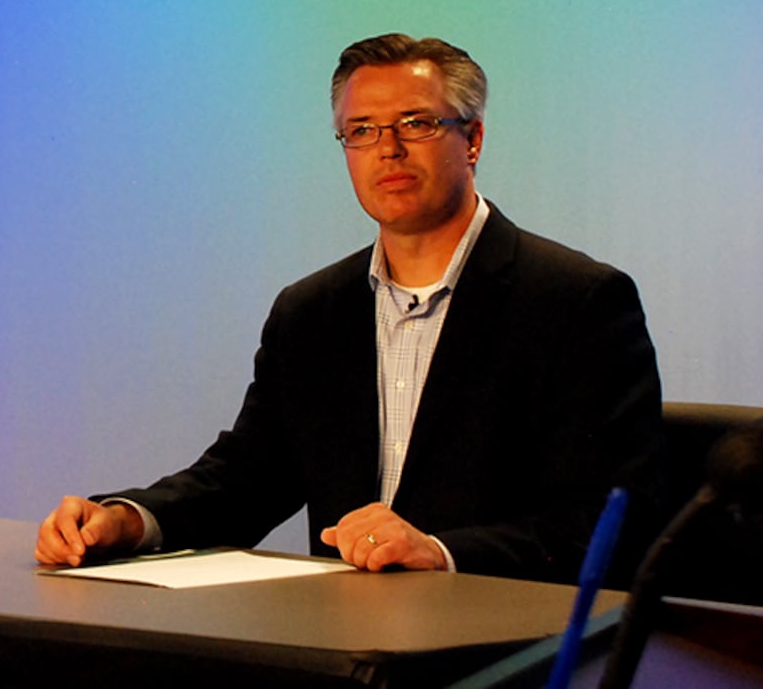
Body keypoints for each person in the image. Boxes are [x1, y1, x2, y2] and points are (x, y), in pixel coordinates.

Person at [34, 34, 664, 584]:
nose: (387, 148)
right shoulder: (312, 314)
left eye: (416, 123)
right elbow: (245, 480)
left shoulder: (576, 301)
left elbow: (607, 518)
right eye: (361, 131)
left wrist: (440, 552)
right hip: (348, 644)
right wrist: (124, 521)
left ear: (471, 139)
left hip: (507, 643)